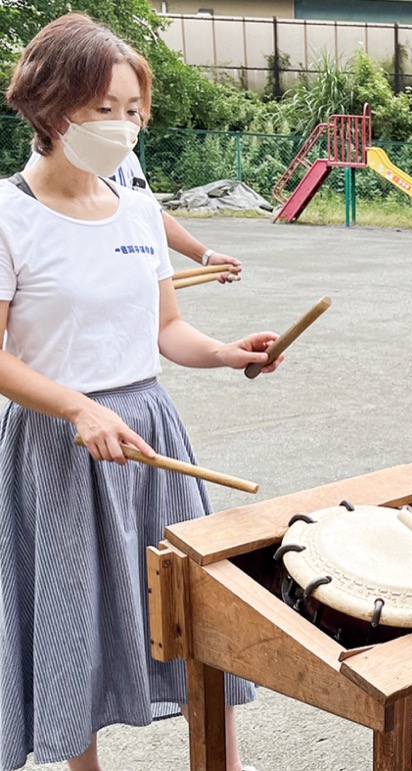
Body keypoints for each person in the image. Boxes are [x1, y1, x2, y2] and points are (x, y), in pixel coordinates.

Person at [0, 14, 281, 771]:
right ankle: (80, 762)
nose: (124, 127)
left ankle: (220, 761)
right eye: (105, 109)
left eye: (133, 111)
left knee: (196, 604)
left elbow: (167, 331)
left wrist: (227, 353)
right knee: (71, 613)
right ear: (51, 106)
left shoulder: (135, 211)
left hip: (150, 424)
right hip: (54, 440)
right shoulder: (7, 214)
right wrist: (76, 407)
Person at [24, 150, 243, 283]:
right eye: (106, 108)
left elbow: (153, 215)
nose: (128, 121)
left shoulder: (126, 158)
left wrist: (206, 256)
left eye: (132, 110)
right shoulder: (51, 159)